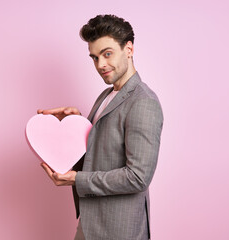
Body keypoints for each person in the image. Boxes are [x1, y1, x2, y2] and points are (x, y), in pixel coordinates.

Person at [38, 14, 163, 240]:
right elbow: (99, 153)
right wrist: (75, 126)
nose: (100, 65)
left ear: (129, 49)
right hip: (90, 223)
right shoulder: (106, 95)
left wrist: (77, 180)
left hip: (119, 230)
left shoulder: (143, 102)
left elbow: (138, 177)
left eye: (107, 54)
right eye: (94, 58)